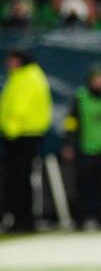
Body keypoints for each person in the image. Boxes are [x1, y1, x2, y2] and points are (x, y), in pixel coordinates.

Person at [63, 63, 101, 229]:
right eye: (96, 80)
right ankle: (81, 220)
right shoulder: (81, 97)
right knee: (82, 186)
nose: (100, 83)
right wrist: (68, 143)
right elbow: (71, 122)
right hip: (85, 148)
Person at [1, 48, 52, 233]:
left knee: (18, 181)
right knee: (21, 180)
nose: (8, 63)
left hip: (21, 136)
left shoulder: (25, 78)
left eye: (11, 59)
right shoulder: (32, 75)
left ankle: (20, 220)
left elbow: (18, 108)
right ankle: (23, 219)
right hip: (28, 135)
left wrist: (10, 132)